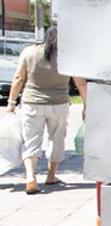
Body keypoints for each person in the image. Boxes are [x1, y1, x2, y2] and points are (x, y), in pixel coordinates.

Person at [6, 27, 87, 194]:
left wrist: (11, 102)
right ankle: (51, 176)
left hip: (31, 103)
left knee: (31, 140)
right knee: (57, 139)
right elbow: (80, 83)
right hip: (59, 104)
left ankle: (30, 177)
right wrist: (87, 105)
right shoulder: (67, 56)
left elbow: (19, 78)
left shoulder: (29, 52)